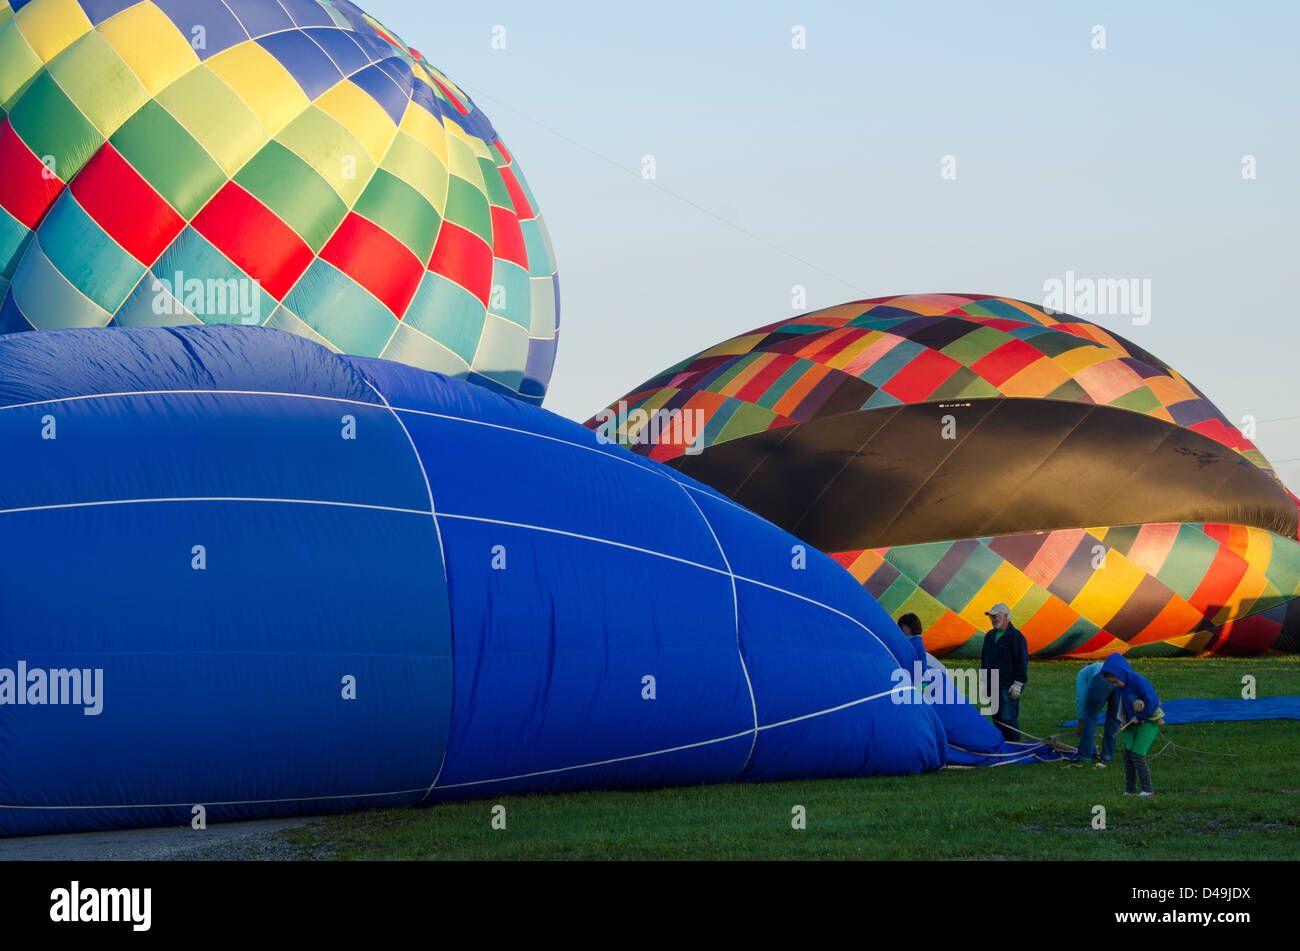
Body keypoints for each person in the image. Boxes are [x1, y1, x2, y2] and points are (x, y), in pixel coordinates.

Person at [1100, 654, 1164, 797]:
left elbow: (1152, 702)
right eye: (1113, 683)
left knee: (1137, 755)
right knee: (1127, 755)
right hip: (1132, 724)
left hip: (1148, 722)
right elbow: (1125, 704)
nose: (1116, 685)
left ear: (1122, 673)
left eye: (1116, 682)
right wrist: (1124, 719)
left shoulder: (1139, 681)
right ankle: (1130, 790)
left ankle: (1147, 790)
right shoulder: (1122, 686)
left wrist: (1140, 717)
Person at [979, 603, 1028, 742]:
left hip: (1007, 685)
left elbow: (1022, 661)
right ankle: (1004, 745)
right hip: (991, 683)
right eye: (991, 616)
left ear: (1006, 616)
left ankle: (1015, 746)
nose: (993, 619)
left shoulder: (1016, 637)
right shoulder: (989, 635)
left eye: (996, 616)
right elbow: (985, 659)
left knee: (1008, 718)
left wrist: (1018, 683)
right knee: (996, 718)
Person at [1070, 661, 1119, 766]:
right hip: (1118, 678)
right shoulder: (1101, 665)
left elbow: (1081, 699)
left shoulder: (1082, 673)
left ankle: (1085, 756)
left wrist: (1080, 722)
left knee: (1091, 717)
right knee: (1113, 718)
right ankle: (1108, 755)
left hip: (1103, 678)